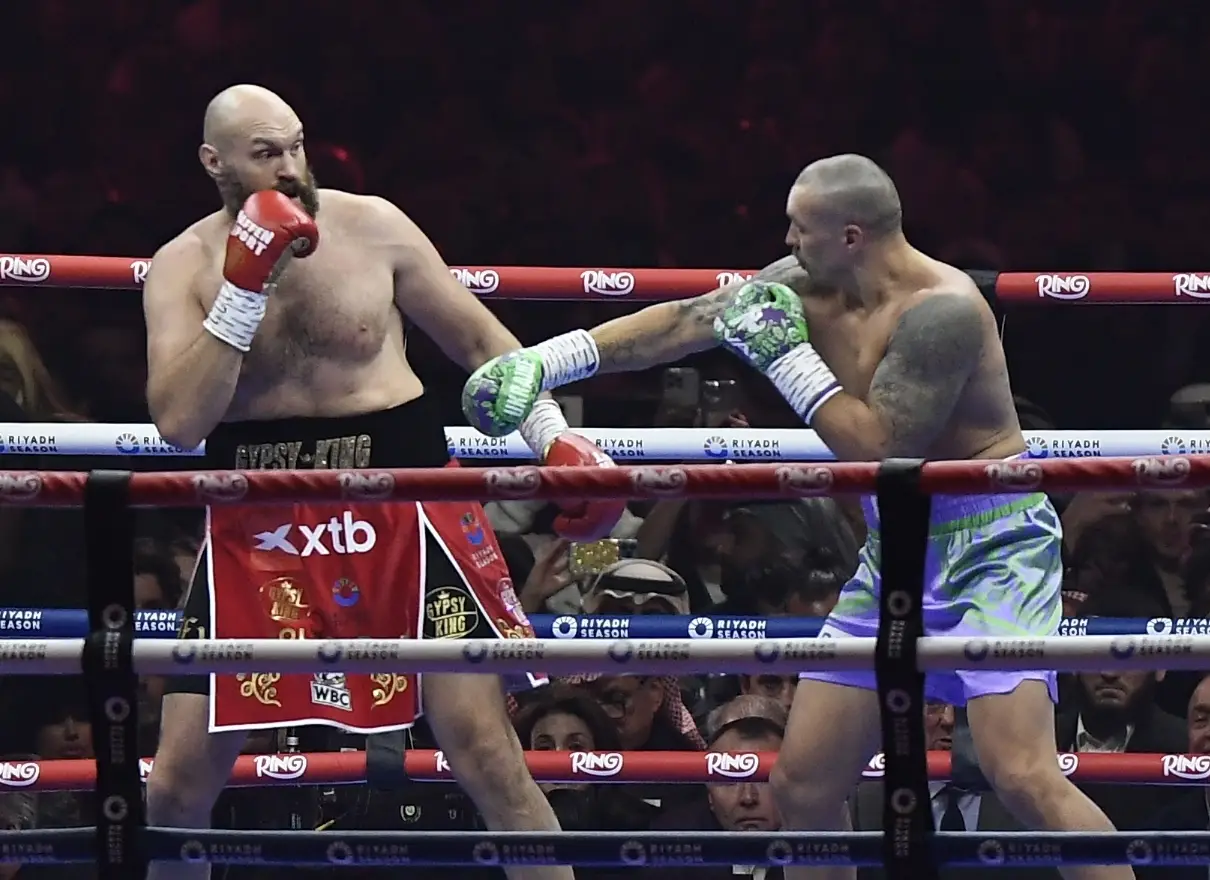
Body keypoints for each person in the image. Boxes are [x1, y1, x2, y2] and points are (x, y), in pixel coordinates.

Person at [464, 153, 1132, 880]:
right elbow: (689, 320)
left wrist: (790, 361)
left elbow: (880, 449)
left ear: (851, 236)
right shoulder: (806, 281)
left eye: (799, 228)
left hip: (993, 547)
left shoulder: (942, 313)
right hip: (895, 545)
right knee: (804, 784)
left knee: (1023, 777)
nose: (786, 242)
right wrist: (546, 362)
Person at [142, 83, 624, 880]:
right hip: (260, 525)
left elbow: (486, 347)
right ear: (213, 162)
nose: (290, 167)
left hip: (404, 505)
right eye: (265, 153)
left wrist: (555, 437)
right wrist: (240, 292)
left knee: (487, 756)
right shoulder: (182, 266)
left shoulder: (374, 226)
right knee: (176, 785)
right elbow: (179, 423)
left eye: (296, 146)